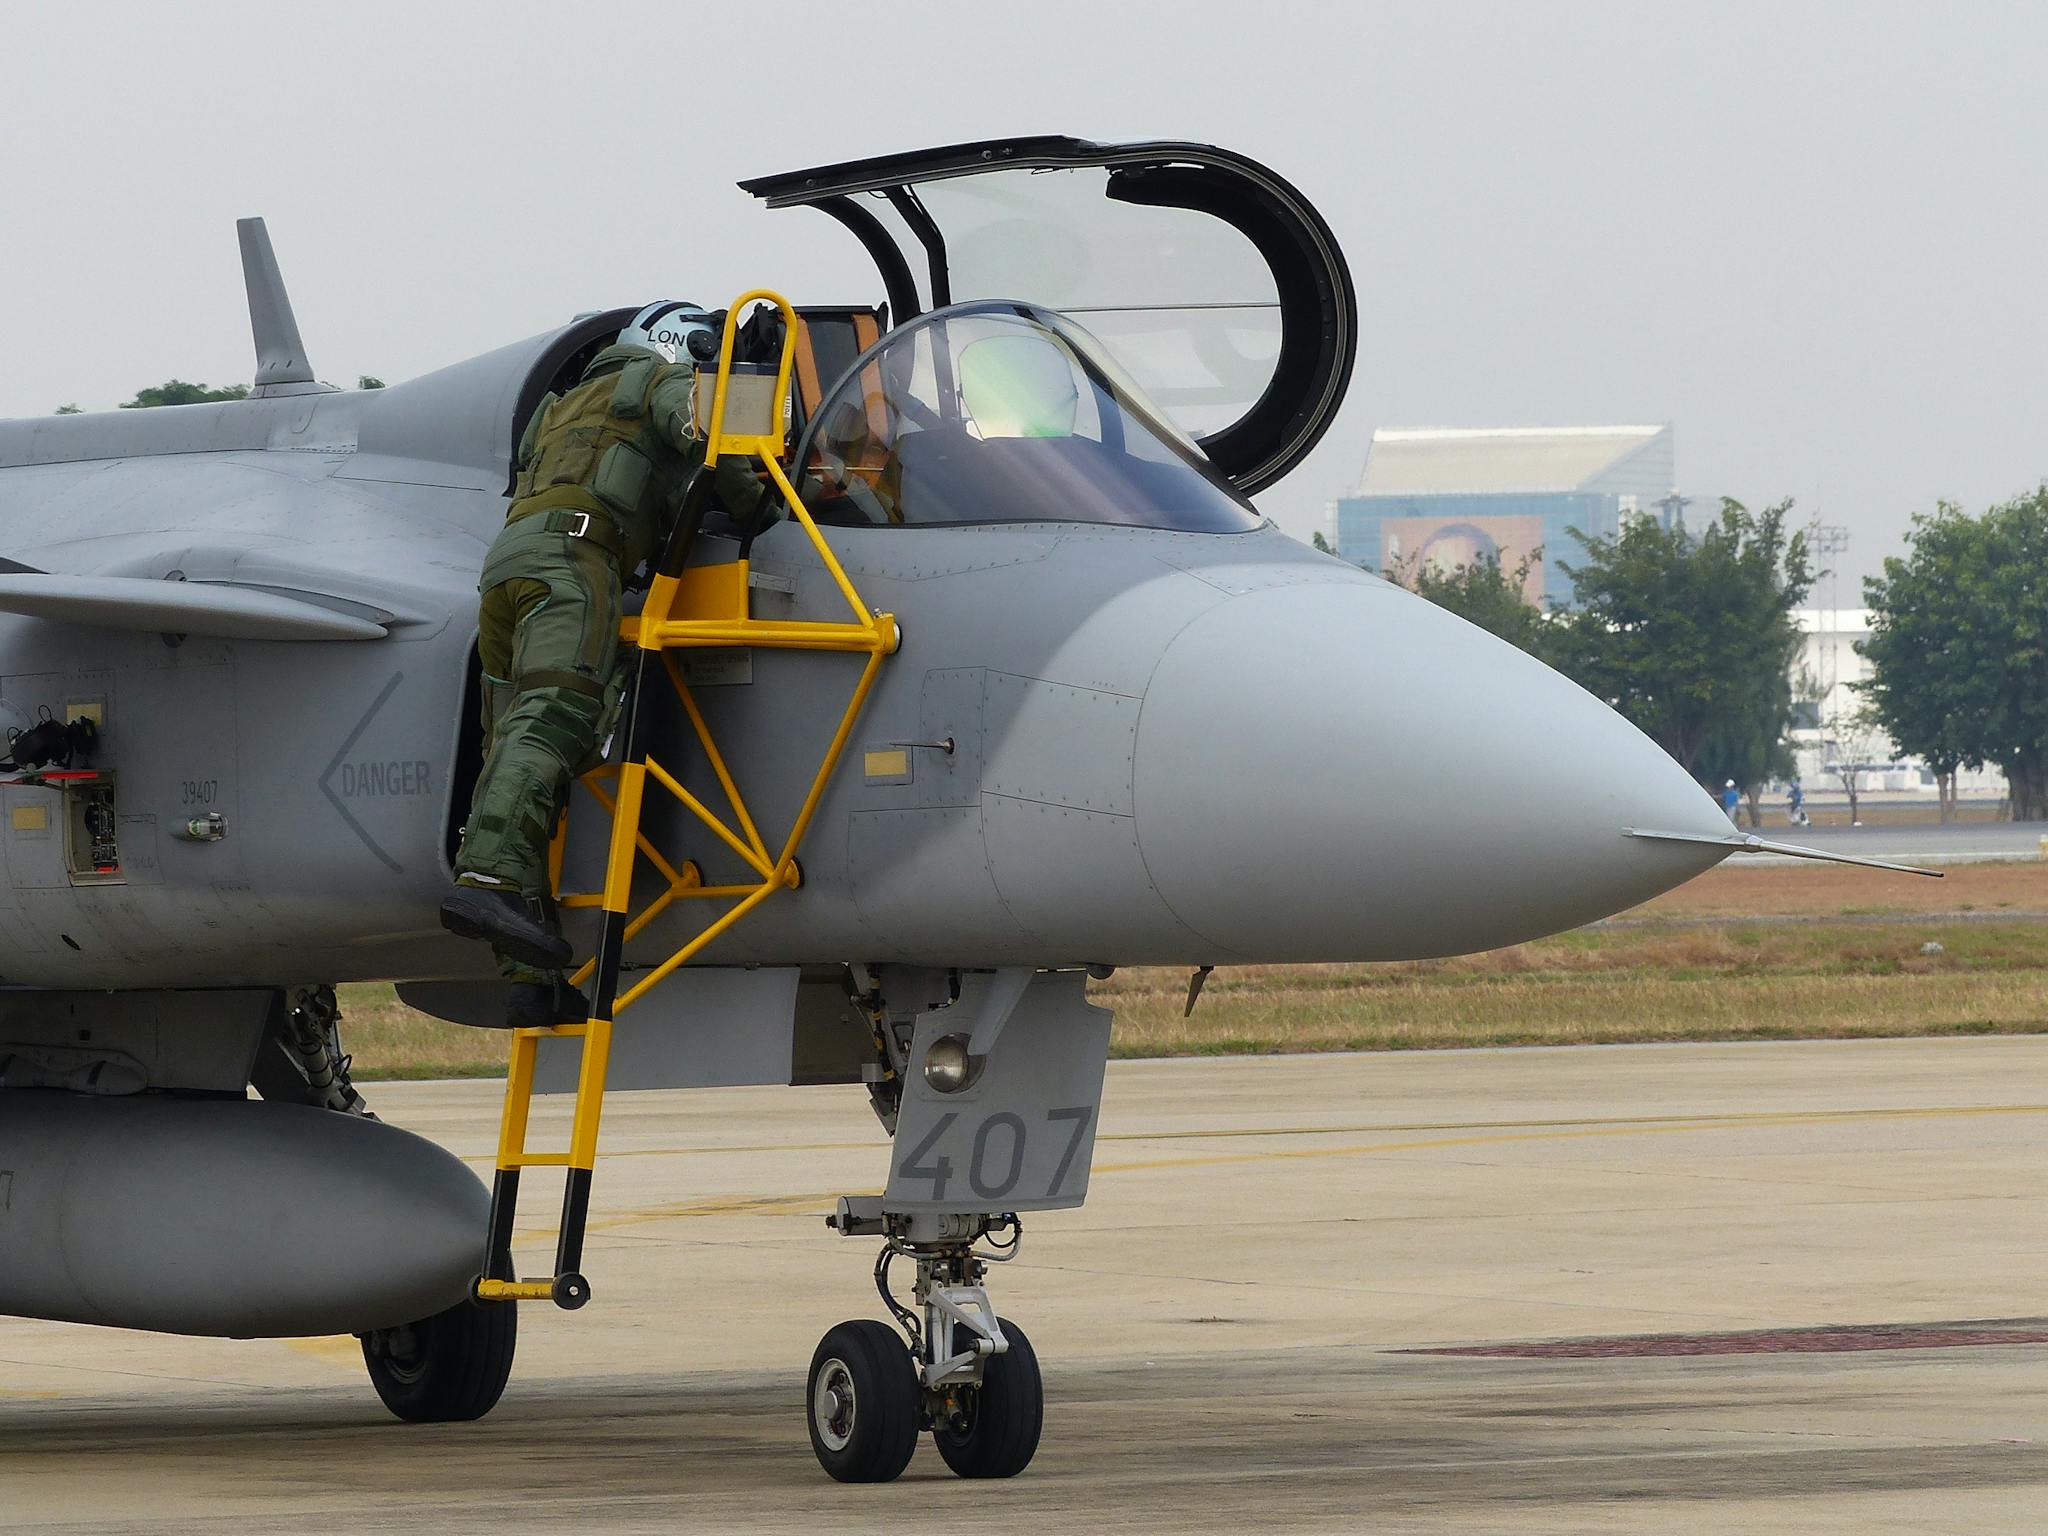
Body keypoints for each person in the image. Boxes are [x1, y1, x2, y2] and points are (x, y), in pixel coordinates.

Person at [439, 301, 765, 1027]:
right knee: (558, 715)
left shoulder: (559, 409)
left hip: (506, 569)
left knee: (514, 750)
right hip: (574, 563)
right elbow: (710, 434)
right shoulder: (656, 380)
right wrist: (755, 496)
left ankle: (529, 976)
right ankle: (488, 879)